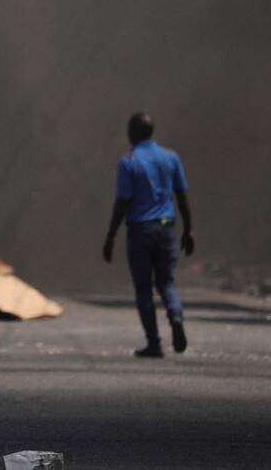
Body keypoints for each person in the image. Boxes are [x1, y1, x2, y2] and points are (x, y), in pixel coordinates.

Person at [102, 111, 194, 358]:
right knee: (166, 282)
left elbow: (123, 201)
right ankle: (175, 316)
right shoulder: (171, 157)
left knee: (143, 288)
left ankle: (154, 343)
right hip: (166, 227)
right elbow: (182, 196)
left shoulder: (128, 161)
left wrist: (111, 235)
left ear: (130, 134)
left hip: (140, 230)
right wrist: (188, 229)